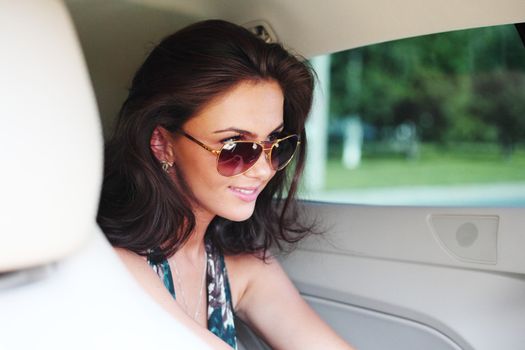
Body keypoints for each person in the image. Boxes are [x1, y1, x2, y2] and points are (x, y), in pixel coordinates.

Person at [97, 19, 354, 349]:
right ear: (162, 143)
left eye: (276, 144)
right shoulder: (116, 266)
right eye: (236, 146)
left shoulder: (241, 268)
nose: (263, 170)